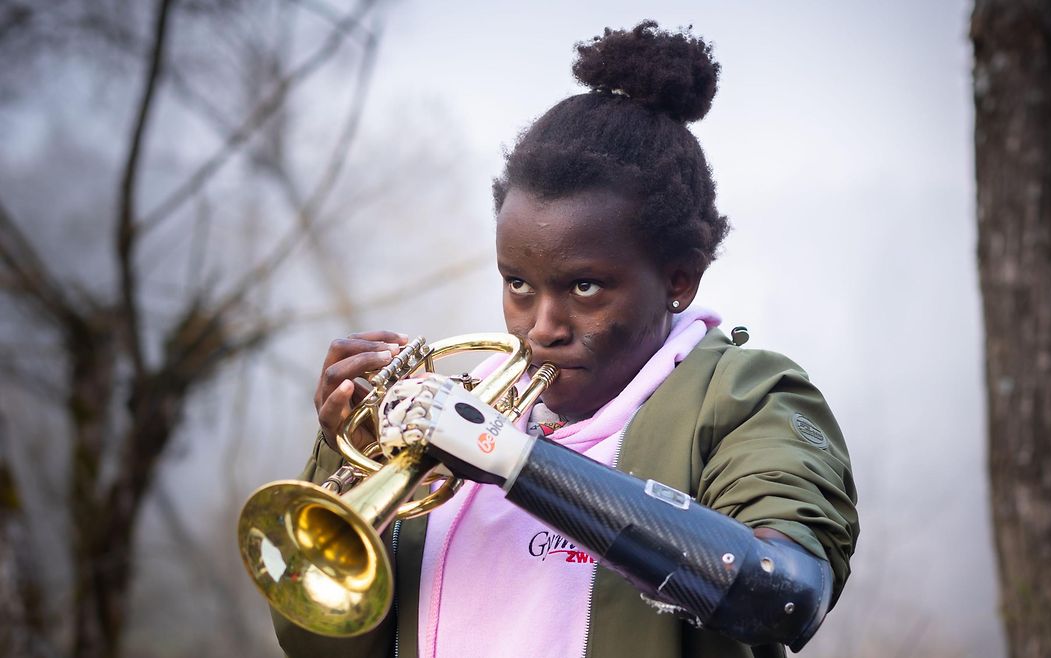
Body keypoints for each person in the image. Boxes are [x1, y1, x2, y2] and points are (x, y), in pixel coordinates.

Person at [272, 20, 858, 658]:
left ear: (679, 281)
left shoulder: (750, 397)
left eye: (584, 288)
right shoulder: (453, 429)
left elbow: (783, 598)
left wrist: (507, 457)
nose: (540, 327)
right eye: (518, 283)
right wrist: (348, 463)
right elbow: (317, 644)